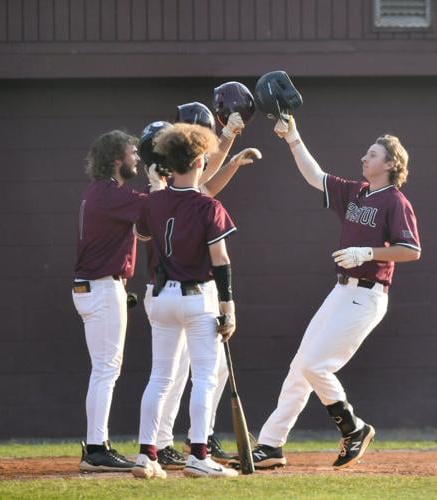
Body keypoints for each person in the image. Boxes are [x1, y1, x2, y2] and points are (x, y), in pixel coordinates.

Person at [230, 117, 421, 470]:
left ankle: (354, 428)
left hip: (367, 295)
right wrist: (294, 138)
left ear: (391, 164)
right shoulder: (357, 191)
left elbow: (411, 250)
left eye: (373, 154)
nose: (365, 158)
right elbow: (315, 176)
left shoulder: (395, 201)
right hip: (341, 290)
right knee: (300, 367)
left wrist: (368, 253)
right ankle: (272, 445)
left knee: (317, 365)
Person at [137, 113, 259, 470]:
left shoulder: (153, 200)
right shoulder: (210, 206)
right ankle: (199, 456)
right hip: (196, 297)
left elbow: (144, 236)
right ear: (200, 161)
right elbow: (220, 260)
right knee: (205, 376)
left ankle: (146, 455)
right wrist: (229, 307)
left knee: (160, 377)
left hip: (160, 299)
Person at [73, 130, 165, 472]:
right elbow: (156, 205)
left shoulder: (102, 192)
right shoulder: (110, 194)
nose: (137, 159)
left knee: (104, 369)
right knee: (106, 370)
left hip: (95, 287)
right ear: (115, 159)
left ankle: (98, 444)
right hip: (101, 286)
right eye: (131, 153)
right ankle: (96, 448)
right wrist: (158, 182)